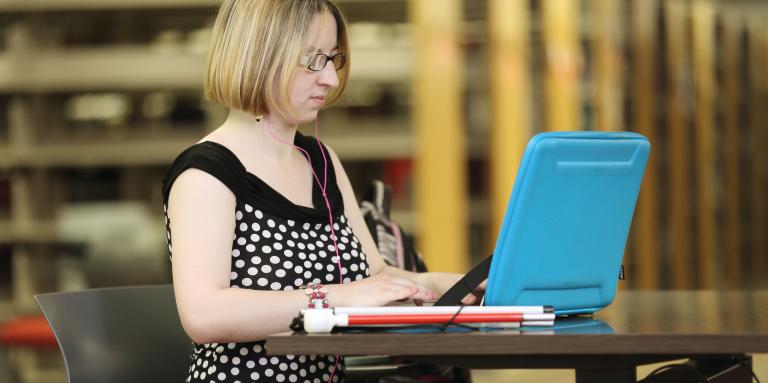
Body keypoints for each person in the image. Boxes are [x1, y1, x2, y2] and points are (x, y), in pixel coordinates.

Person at [161, 1, 483, 382]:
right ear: (259, 57)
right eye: (313, 60)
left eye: (333, 59)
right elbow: (204, 315)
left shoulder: (320, 159)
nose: (330, 78)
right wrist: (339, 297)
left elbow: (372, 276)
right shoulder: (207, 172)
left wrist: (447, 284)